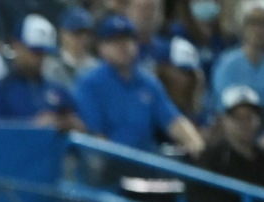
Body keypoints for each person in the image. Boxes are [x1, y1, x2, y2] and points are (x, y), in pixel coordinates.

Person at [74, 13, 205, 156]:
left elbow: (172, 120)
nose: (123, 47)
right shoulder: (89, 83)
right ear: (101, 47)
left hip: (146, 164)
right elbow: (95, 136)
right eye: (114, 41)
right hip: (108, 166)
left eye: (127, 40)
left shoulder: (147, 82)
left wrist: (195, 143)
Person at [0, 13, 86, 132]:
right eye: (35, 52)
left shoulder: (57, 91)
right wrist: (31, 127)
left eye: (43, 53)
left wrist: (69, 124)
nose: (40, 59)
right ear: (16, 45)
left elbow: (84, 130)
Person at [187, 84, 264, 202]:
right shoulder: (212, 157)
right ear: (224, 120)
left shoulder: (261, 157)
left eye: (250, 117)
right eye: (237, 117)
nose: (245, 123)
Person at [211, 0, 264, 113]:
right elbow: (222, 105)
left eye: (263, 23)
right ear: (242, 26)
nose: (259, 29)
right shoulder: (227, 64)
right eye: (253, 22)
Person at [43, 6, 99, 89]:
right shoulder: (51, 65)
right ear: (63, 33)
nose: (82, 38)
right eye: (76, 33)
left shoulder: (97, 67)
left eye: (85, 33)